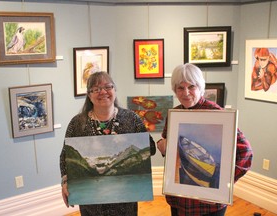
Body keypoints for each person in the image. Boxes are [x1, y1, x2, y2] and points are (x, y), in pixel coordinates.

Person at [157, 63, 253, 216]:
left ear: (200, 87)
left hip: (208, 205)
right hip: (179, 198)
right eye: (180, 88)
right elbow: (169, 146)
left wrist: (222, 185)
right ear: (175, 90)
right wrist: (163, 148)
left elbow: (246, 153)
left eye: (191, 87)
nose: (186, 93)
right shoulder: (174, 114)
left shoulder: (217, 115)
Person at [60, 71, 156, 216]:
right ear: (89, 95)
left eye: (108, 87)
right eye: (96, 89)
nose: (103, 92)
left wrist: (133, 140)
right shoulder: (77, 123)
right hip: (91, 203)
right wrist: (65, 182)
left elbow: (151, 149)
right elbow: (64, 156)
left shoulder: (132, 119)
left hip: (125, 201)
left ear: (114, 90)